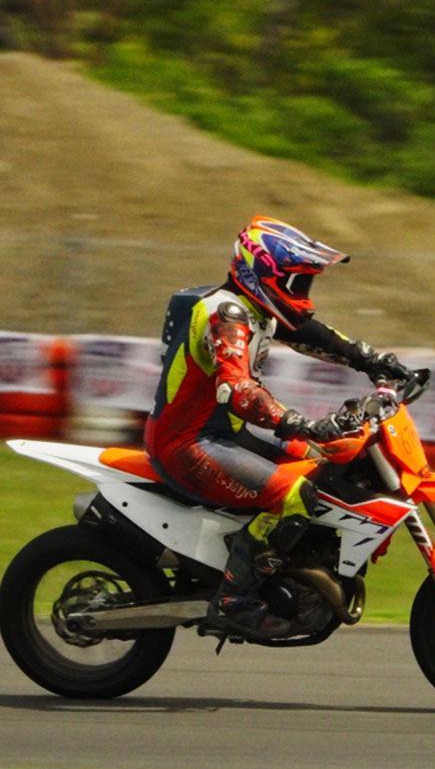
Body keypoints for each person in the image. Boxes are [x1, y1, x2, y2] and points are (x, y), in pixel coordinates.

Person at [144, 216, 414, 637]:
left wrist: (371, 360)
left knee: (326, 468)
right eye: (296, 284)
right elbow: (237, 389)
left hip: (225, 435)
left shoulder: (256, 308)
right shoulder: (227, 315)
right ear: (261, 274)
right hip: (188, 443)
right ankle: (234, 601)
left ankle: (294, 571)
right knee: (295, 495)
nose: (302, 296)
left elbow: (311, 334)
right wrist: (301, 423)